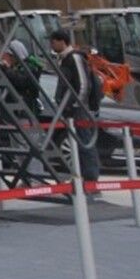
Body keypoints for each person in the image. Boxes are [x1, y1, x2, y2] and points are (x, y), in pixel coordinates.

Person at [49, 28, 100, 183]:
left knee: (85, 142)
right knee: (77, 143)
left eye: (53, 42)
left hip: (79, 109)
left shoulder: (74, 58)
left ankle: (90, 177)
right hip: (71, 108)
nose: (51, 45)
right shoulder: (64, 59)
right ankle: (81, 175)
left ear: (62, 42)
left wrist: (78, 104)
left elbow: (83, 83)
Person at [0, 40, 42, 112]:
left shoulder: (30, 67)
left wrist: (6, 70)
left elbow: (21, 81)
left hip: (25, 106)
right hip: (13, 105)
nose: (10, 58)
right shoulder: (15, 67)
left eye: (11, 56)